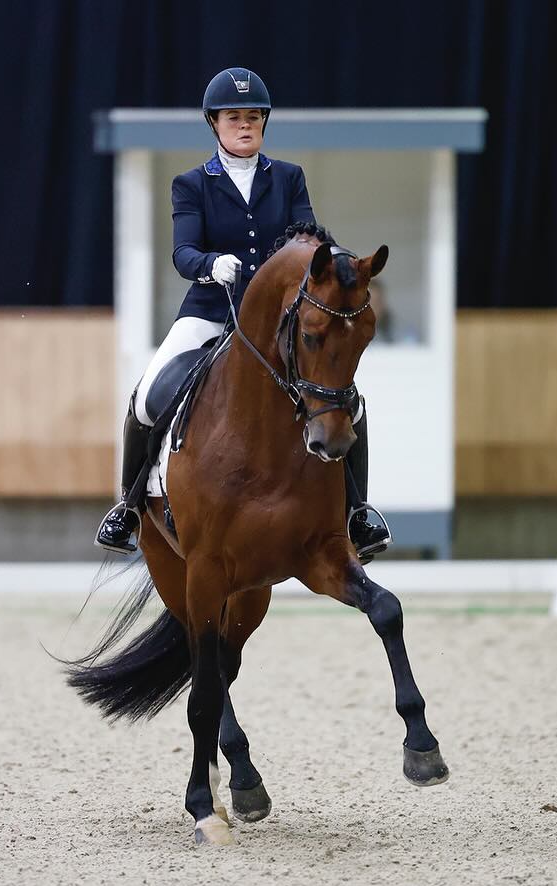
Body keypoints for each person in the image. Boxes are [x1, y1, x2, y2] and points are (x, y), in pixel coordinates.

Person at [94, 67, 390, 560]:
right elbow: (182, 254)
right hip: (211, 310)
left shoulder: (288, 177)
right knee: (148, 395)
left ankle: (358, 511)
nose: (245, 125)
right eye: (234, 117)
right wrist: (213, 264)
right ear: (215, 123)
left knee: (350, 402)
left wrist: (337, 262)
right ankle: (127, 506)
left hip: (278, 321)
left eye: (253, 117)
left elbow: (310, 240)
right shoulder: (191, 185)